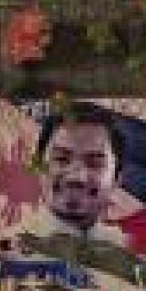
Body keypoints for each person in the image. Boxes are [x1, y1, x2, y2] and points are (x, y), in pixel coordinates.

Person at [22, 103, 128, 246]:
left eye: (95, 163)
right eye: (61, 159)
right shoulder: (6, 252)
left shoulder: (129, 250)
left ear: (117, 179)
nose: (76, 177)